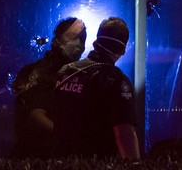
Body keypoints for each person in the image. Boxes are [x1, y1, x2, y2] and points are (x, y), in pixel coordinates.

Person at [53, 17, 140, 159]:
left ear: (95, 42)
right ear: (123, 50)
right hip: (95, 161)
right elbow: (125, 134)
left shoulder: (66, 72)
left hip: (59, 161)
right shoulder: (116, 81)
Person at [11, 17, 87, 158]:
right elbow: (36, 115)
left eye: (82, 39)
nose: (78, 44)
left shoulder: (75, 73)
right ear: (56, 41)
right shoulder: (43, 71)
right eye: (72, 37)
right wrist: (70, 139)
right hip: (36, 155)